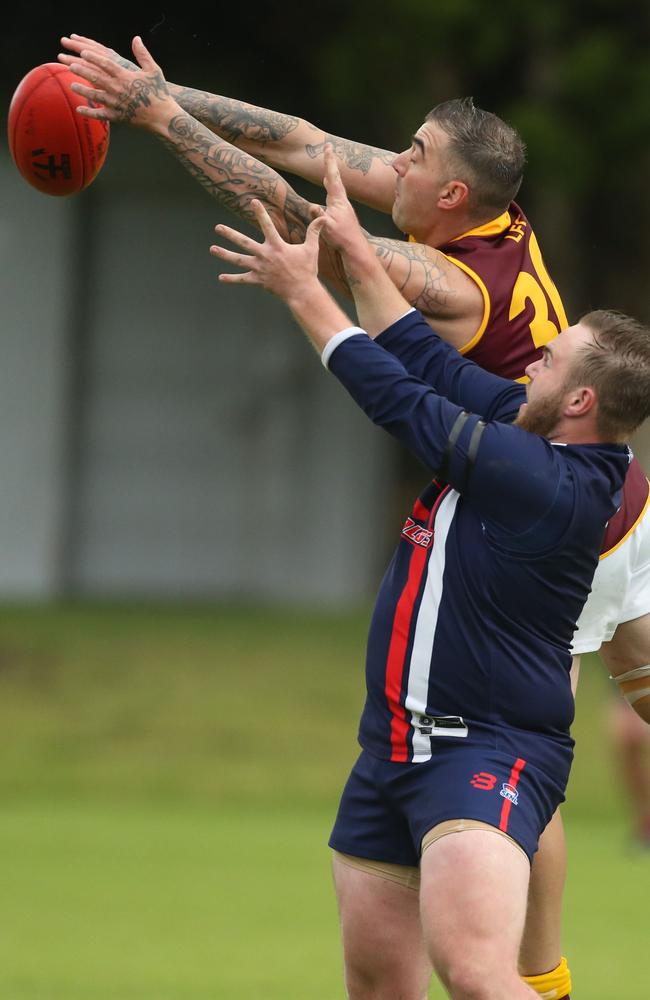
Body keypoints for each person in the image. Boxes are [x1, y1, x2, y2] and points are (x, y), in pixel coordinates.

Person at [57, 35, 650, 998]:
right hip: (566, 493)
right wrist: (157, 90)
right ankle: (542, 976)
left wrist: (160, 122)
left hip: (554, 512)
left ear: (452, 195)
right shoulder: (486, 226)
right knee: (598, 718)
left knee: (519, 772)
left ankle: (541, 979)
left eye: (414, 158)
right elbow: (307, 144)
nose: (393, 163)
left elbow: (317, 238)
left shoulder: (454, 283)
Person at [207, 149, 650, 999]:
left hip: (486, 751)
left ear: (583, 404)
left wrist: (305, 291)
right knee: (380, 986)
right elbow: (423, 356)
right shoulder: (534, 429)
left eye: (550, 362)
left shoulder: (548, 481)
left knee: (480, 976)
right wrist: (352, 249)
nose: (530, 364)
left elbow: (403, 400)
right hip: (392, 748)